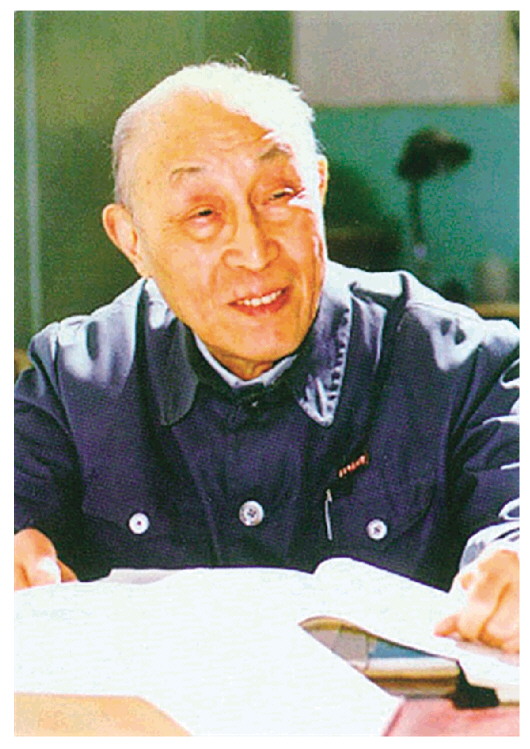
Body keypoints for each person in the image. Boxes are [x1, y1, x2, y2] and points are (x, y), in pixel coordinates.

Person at [14, 63, 519, 653]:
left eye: (280, 195)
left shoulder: (465, 367)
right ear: (132, 240)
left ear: (319, 189)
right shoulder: (74, 381)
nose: (254, 252)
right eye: (203, 214)